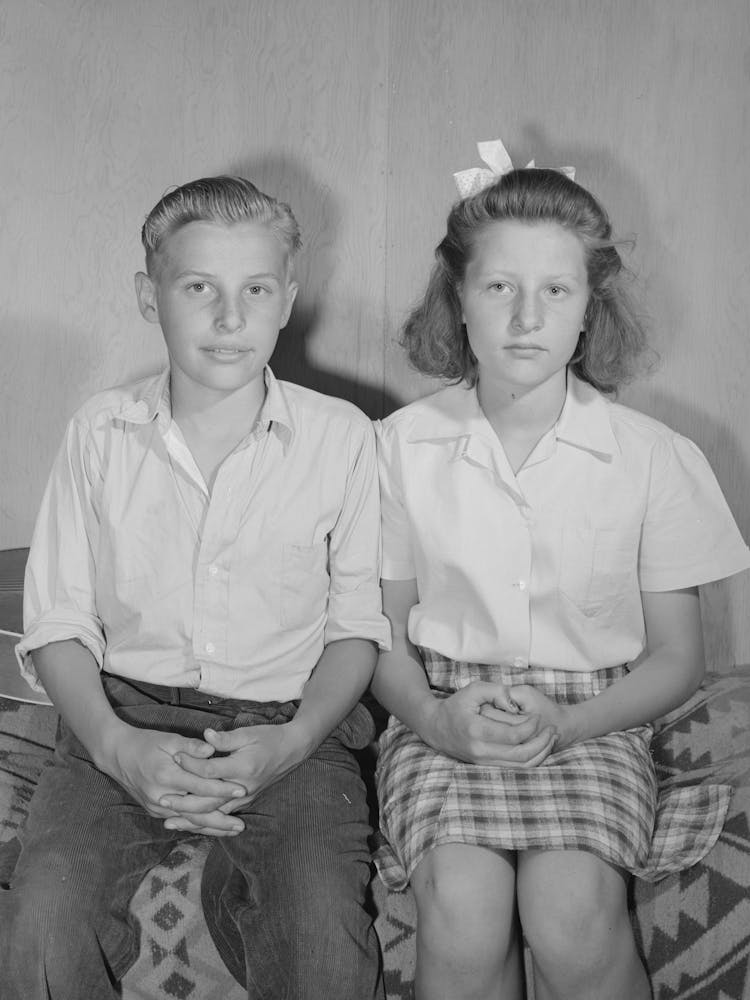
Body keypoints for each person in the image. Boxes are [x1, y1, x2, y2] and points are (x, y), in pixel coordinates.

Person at [371, 141, 750, 1000]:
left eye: (556, 291)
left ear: (590, 311)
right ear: (458, 300)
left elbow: (675, 657)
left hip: (594, 715)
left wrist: (572, 727)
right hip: (443, 712)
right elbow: (380, 635)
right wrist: (435, 721)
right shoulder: (398, 448)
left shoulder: (653, 458)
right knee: (463, 911)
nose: (525, 318)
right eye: (499, 287)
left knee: (571, 912)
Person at [0, 176, 391, 1000]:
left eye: (254, 290)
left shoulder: (344, 439)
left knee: (323, 943)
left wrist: (290, 742)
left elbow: (356, 628)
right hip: (125, 715)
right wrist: (115, 746)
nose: (228, 318)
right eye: (198, 288)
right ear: (151, 298)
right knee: (43, 919)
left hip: (290, 728)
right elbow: (59, 621)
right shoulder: (100, 434)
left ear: (288, 299)